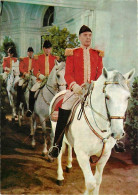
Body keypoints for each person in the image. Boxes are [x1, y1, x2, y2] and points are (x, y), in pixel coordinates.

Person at [49, 25, 104, 158]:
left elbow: (100, 74)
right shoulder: (73, 53)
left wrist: (94, 85)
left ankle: (110, 140)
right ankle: (57, 144)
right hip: (75, 91)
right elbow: (68, 74)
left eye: (90, 35)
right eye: (85, 35)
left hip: (92, 90)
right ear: (80, 37)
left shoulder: (97, 54)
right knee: (65, 107)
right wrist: (74, 86)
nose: (88, 38)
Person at [26, 40, 59, 117]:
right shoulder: (39, 58)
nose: (48, 50)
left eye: (49, 48)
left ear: (51, 49)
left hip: (52, 81)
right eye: (46, 48)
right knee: (32, 90)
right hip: (41, 80)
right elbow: (35, 70)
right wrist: (39, 75)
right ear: (43, 49)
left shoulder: (54, 58)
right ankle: (30, 109)